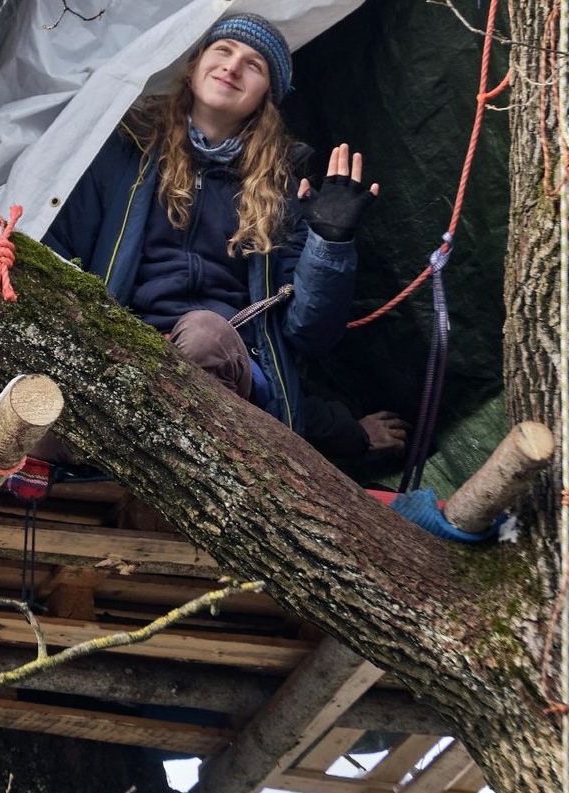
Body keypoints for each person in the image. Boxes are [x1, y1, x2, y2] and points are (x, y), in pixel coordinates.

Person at [44, 13, 408, 460]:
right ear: (194, 65)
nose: (232, 67)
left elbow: (309, 333)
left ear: (265, 99)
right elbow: (58, 252)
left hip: (226, 361)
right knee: (37, 429)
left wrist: (329, 244)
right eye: (223, 50)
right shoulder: (124, 153)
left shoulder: (283, 188)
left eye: (254, 65)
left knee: (203, 336)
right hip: (121, 348)